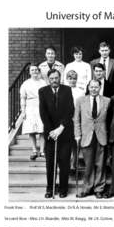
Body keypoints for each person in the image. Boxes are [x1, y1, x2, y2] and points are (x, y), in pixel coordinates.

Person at [39, 69, 74, 198]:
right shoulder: (43, 91)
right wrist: (51, 131)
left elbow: (70, 110)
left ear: (60, 78)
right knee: (50, 163)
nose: (54, 80)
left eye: (56, 78)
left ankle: (63, 188)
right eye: (52, 78)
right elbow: (43, 113)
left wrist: (61, 128)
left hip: (65, 133)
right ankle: (50, 188)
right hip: (50, 134)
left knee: (64, 162)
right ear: (48, 79)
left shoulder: (67, 90)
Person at [74, 80, 110, 198]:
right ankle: (87, 188)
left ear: (100, 87)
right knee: (88, 164)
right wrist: (77, 134)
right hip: (86, 136)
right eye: (92, 87)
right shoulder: (81, 101)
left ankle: (99, 188)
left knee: (100, 164)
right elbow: (76, 119)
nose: (94, 89)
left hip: (101, 136)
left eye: (96, 87)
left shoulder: (107, 101)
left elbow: (110, 120)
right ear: (88, 87)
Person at [20, 64, 47, 160]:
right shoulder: (26, 83)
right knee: (31, 130)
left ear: (39, 71)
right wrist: (23, 111)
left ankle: (42, 151)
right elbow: (22, 98)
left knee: (42, 130)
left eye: (36, 70)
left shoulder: (43, 83)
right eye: (32, 70)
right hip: (30, 107)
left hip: (41, 105)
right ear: (29, 72)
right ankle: (34, 150)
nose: (35, 71)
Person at [65, 70, 84, 170]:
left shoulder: (81, 91)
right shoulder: (63, 90)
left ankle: (74, 163)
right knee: (67, 143)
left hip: (77, 119)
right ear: (67, 79)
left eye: (74, 78)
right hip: (66, 120)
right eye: (70, 78)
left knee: (76, 143)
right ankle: (67, 163)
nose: (72, 80)